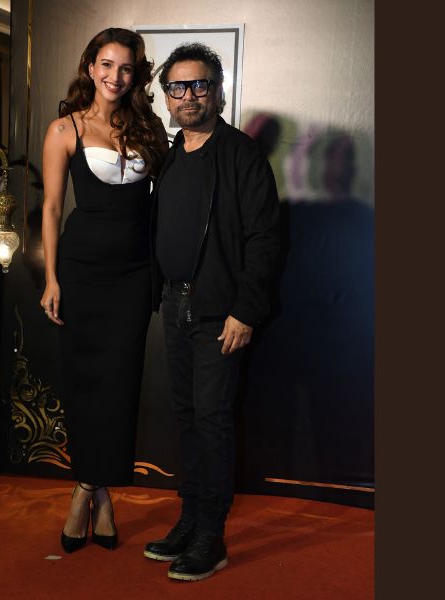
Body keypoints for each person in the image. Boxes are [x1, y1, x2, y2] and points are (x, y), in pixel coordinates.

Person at [143, 43, 281, 581]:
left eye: (199, 84)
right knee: (187, 417)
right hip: (174, 303)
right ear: (166, 96)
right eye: (177, 87)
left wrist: (245, 311)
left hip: (220, 311)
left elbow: (264, 238)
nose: (189, 95)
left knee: (212, 420)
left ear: (218, 91)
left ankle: (211, 536)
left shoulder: (241, 154)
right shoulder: (169, 155)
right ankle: (190, 518)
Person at [40, 27, 168, 554]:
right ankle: (93, 492)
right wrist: (52, 278)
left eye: (126, 68)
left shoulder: (150, 128)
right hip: (81, 272)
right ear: (90, 67)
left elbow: (165, 203)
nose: (116, 76)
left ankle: (90, 489)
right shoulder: (64, 128)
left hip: (134, 275)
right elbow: (51, 208)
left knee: (120, 383)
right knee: (85, 383)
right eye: (107, 65)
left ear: (136, 75)